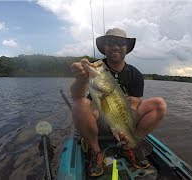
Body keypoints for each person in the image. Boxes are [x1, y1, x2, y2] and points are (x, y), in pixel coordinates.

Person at [70, 28, 167, 177]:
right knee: (78, 104)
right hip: (97, 119)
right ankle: (96, 152)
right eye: (110, 42)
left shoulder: (135, 74)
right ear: (105, 47)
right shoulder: (97, 66)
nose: (115, 46)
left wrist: (123, 129)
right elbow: (76, 95)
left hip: (121, 120)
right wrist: (81, 79)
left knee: (159, 104)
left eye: (121, 42)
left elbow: (133, 105)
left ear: (126, 47)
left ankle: (131, 145)